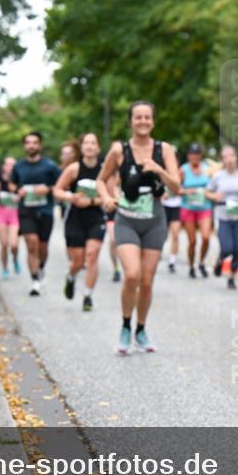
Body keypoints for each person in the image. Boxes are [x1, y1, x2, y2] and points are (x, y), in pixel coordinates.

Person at [96, 102, 181, 354]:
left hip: (155, 220)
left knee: (146, 280)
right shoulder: (119, 151)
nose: (142, 121)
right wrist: (106, 197)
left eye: (147, 117)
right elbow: (101, 180)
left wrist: (158, 170)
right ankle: (125, 326)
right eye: (137, 117)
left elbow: (176, 187)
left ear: (153, 121)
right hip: (127, 219)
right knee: (131, 275)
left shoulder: (163, 149)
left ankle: (140, 329)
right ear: (130, 121)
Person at [54, 133, 106, 310]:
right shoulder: (74, 169)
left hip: (96, 217)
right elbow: (57, 191)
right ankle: (71, 277)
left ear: (98, 148)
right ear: (82, 147)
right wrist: (71, 196)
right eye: (86, 143)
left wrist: (92, 201)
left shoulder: (105, 170)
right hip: (75, 218)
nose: (90, 146)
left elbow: (112, 197)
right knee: (77, 261)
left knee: (92, 255)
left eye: (93, 143)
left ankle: (88, 296)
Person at [11, 132, 60, 296]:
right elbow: (12, 184)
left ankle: (41, 268)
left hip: (45, 211)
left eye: (35, 142)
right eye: (28, 143)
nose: (31, 145)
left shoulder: (50, 166)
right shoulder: (18, 167)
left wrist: (47, 189)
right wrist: (19, 190)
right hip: (26, 211)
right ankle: (35, 281)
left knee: (42, 247)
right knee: (31, 243)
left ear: (40, 145)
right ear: (24, 146)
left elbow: (60, 186)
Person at [206, 146, 238, 290]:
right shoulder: (218, 176)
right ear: (222, 160)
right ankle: (221, 259)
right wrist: (214, 196)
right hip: (223, 216)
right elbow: (207, 192)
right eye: (225, 156)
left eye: (231, 155)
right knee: (227, 247)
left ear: (236, 157)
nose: (229, 159)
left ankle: (232, 277)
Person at [179, 143, 214, 278]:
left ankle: (201, 262)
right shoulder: (183, 170)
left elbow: (213, 187)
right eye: (192, 154)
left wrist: (208, 192)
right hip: (188, 208)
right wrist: (189, 191)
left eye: (197, 154)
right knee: (192, 241)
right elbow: (177, 189)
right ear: (189, 156)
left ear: (200, 155)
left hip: (204, 207)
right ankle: (191, 265)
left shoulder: (207, 169)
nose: (194, 157)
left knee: (206, 237)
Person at [0, 156, 21, 278]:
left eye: (13, 165)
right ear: (3, 166)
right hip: (0, 213)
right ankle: (5, 268)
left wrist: (19, 195)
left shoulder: (19, 180)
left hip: (15, 213)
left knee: (14, 244)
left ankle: (15, 258)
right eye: (8, 164)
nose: (10, 167)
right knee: (4, 244)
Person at [104, 140, 123, 283]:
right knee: (113, 240)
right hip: (112, 210)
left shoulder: (129, 167)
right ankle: (116, 268)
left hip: (130, 210)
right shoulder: (107, 171)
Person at [161, 189, 183, 273]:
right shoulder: (163, 176)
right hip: (164, 207)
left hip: (176, 207)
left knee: (175, 235)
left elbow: (183, 189)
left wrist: (180, 192)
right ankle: (158, 251)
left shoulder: (181, 176)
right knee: (162, 235)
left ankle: (172, 261)